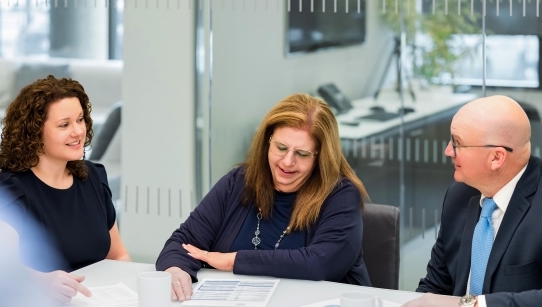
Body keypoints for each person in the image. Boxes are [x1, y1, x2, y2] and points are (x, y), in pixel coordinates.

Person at [156, 94, 372, 301]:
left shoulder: (341, 195)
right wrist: (176, 268)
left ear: (321, 158)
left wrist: (232, 260)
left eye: (302, 154)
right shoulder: (238, 182)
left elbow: (319, 263)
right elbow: (182, 243)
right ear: (267, 142)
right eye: (281, 148)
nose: (287, 162)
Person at [0, 75, 131, 304]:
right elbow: (1, 269)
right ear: (34, 132)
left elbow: (117, 255)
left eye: (80, 120)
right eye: (64, 124)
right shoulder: (8, 191)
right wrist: (42, 282)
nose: (78, 131)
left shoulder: (94, 178)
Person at [402, 95, 542, 307]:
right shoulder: (459, 195)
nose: (448, 151)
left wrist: (472, 305)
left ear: (496, 157)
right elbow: (437, 285)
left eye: (457, 143)